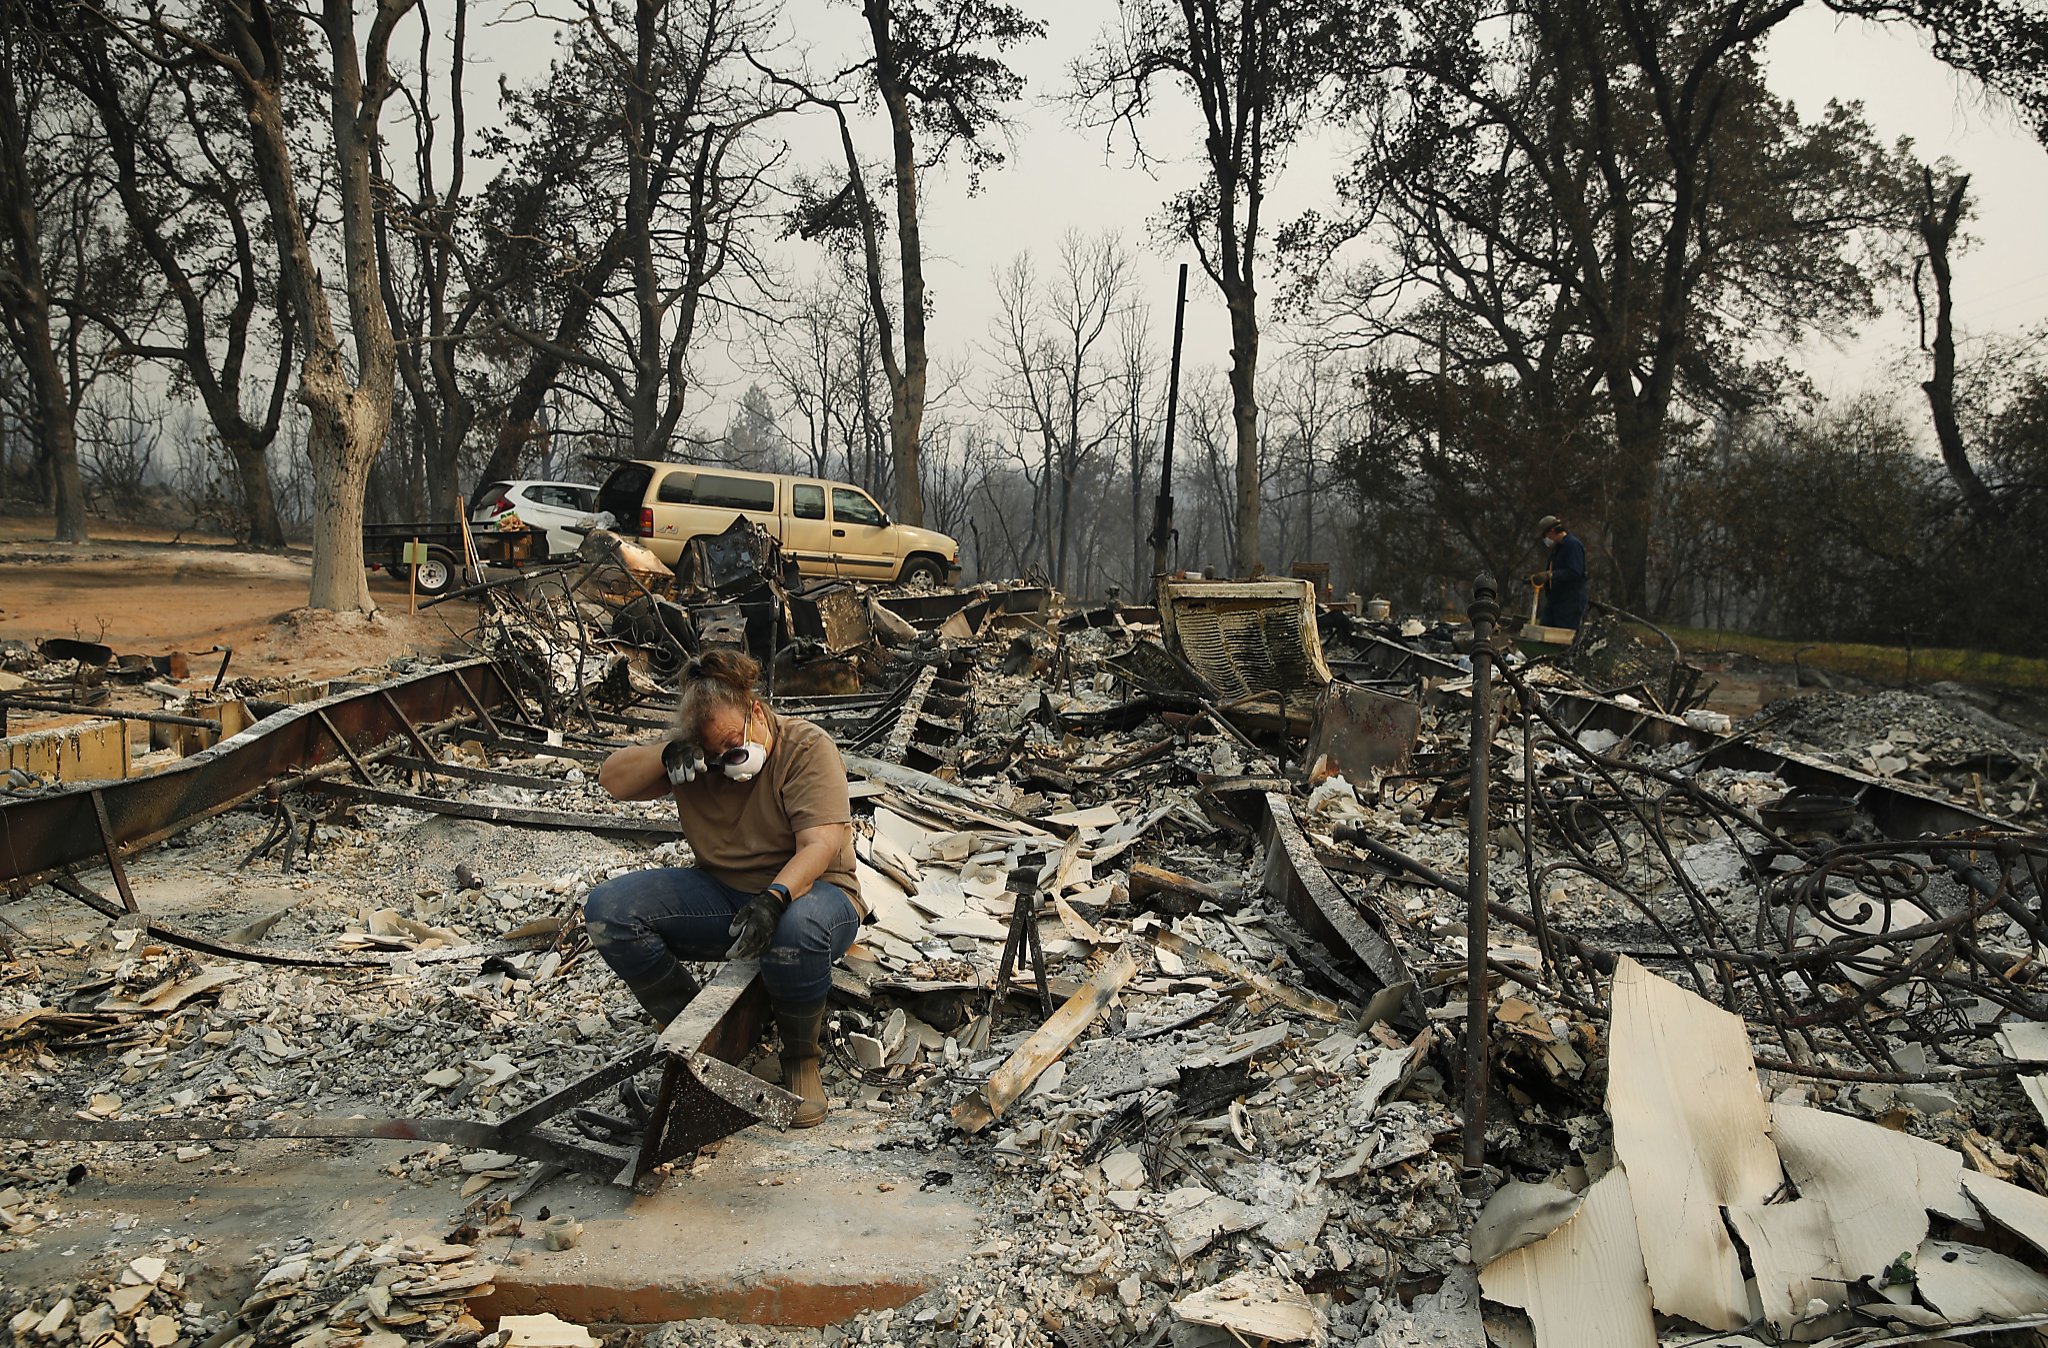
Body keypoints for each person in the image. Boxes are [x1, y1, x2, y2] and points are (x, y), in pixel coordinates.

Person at [583, 649, 862, 1128]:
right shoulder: (698, 756)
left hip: (817, 891)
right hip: (723, 893)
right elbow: (612, 779)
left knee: (796, 932)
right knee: (610, 911)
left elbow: (820, 844)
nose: (727, 762)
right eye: (715, 754)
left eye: (734, 745)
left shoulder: (805, 747)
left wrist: (774, 900)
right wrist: (667, 753)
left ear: (755, 712)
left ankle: (800, 1060)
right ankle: (697, 1034)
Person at [1530, 514, 1588, 631]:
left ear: (1552, 531)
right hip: (1556, 599)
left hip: (1569, 602)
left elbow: (1575, 571)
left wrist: (1550, 575)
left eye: (1545, 535)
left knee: (1563, 636)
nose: (1545, 539)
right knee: (1544, 631)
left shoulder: (1572, 545)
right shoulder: (1558, 548)